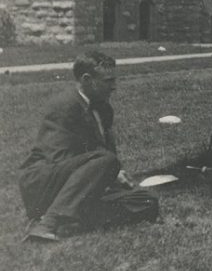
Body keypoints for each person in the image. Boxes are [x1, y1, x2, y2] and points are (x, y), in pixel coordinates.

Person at [18, 52, 159, 242]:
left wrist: (114, 176)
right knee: (107, 160)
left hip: (81, 185)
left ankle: (71, 221)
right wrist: (107, 171)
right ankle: (48, 222)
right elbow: (59, 158)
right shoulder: (64, 106)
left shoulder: (104, 109)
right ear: (87, 80)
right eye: (108, 81)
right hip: (44, 182)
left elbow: (106, 156)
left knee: (147, 200)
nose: (114, 87)